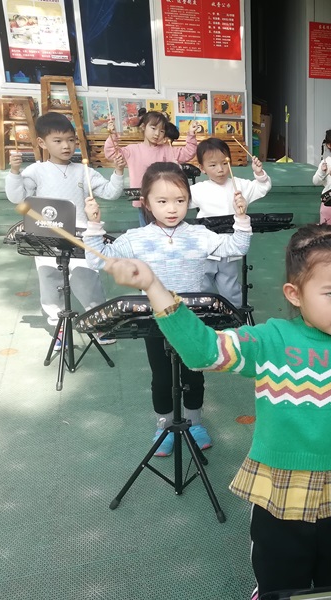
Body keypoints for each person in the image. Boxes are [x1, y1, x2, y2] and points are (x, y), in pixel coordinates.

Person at [101, 223, 331, 598]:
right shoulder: (271, 339)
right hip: (282, 489)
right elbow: (203, 351)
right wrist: (153, 286)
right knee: (279, 585)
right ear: (294, 294)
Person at [82, 162, 251, 457]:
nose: (171, 209)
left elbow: (237, 247)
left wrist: (241, 216)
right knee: (160, 376)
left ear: (189, 200)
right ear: (146, 203)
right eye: (162, 201)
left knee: (194, 373)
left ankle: (195, 423)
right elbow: (101, 259)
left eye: (179, 200)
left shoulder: (200, 234)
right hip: (154, 320)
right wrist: (94, 225)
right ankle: (163, 426)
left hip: (192, 320)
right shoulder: (137, 239)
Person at [5, 112, 125, 349]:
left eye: (70, 140)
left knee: (87, 278)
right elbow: (16, 196)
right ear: (42, 143)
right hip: (46, 234)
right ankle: (59, 328)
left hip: (80, 236)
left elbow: (111, 193)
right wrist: (14, 172)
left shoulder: (84, 171)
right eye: (58, 141)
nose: (66, 146)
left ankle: (97, 324)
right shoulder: (36, 171)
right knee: (50, 280)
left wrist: (119, 173)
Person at [190, 137, 272, 307]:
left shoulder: (239, 185)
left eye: (224, 163)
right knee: (201, 288)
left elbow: (262, 188)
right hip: (205, 250)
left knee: (231, 289)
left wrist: (259, 173)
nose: (220, 169)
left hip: (230, 249)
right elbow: (180, 200)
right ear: (202, 168)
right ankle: (204, 317)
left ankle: (237, 316)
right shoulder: (198, 189)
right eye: (212, 165)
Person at [104, 108, 200, 225]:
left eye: (162, 131)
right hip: (143, 200)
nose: (157, 134)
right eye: (153, 128)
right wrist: (112, 135)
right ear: (143, 127)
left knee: (168, 230)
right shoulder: (132, 150)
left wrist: (191, 133)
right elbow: (111, 153)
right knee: (147, 232)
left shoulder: (167, 149)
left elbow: (188, 152)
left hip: (165, 200)